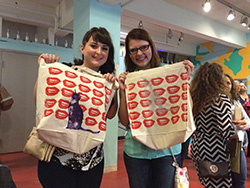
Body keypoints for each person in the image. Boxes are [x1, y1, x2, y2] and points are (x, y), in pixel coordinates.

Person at [34, 27, 118, 188]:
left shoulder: (105, 81)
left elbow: (111, 114)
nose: (98, 52)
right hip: (57, 158)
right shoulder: (64, 71)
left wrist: (113, 89)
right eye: (94, 46)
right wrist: (45, 71)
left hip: (92, 160)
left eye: (104, 48)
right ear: (82, 48)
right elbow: (40, 100)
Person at [118, 28, 194, 188]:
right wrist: (123, 91)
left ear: (151, 47)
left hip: (167, 150)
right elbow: (124, 121)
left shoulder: (170, 73)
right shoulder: (129, 79)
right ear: (129, 54)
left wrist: (185, 83)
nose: (139, 53)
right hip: (136, 151)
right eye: (133, 50)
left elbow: (187, 111)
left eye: (143, 47)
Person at [190, 62, 235, 188]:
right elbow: (226, 130)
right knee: (221, 184)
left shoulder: (195, 98)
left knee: (207, 182)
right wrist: (236, 128)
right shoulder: (220, 99)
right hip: (216, 148)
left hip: (198, 145)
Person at [224, 74, 249, 188]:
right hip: (220, 146)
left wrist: (244, 124)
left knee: (240, 179)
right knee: (220, 179)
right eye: (223, 83)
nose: (226, 86)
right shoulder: (212, 101)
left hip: (238, 145)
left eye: (229, 83)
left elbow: (247, 120)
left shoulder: (235, 101)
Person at [238, 82, 250, 157]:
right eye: (241, 86)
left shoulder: (249, 95)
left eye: (244, 85)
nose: (243, 87)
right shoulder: (238, 97)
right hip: (243, 118)